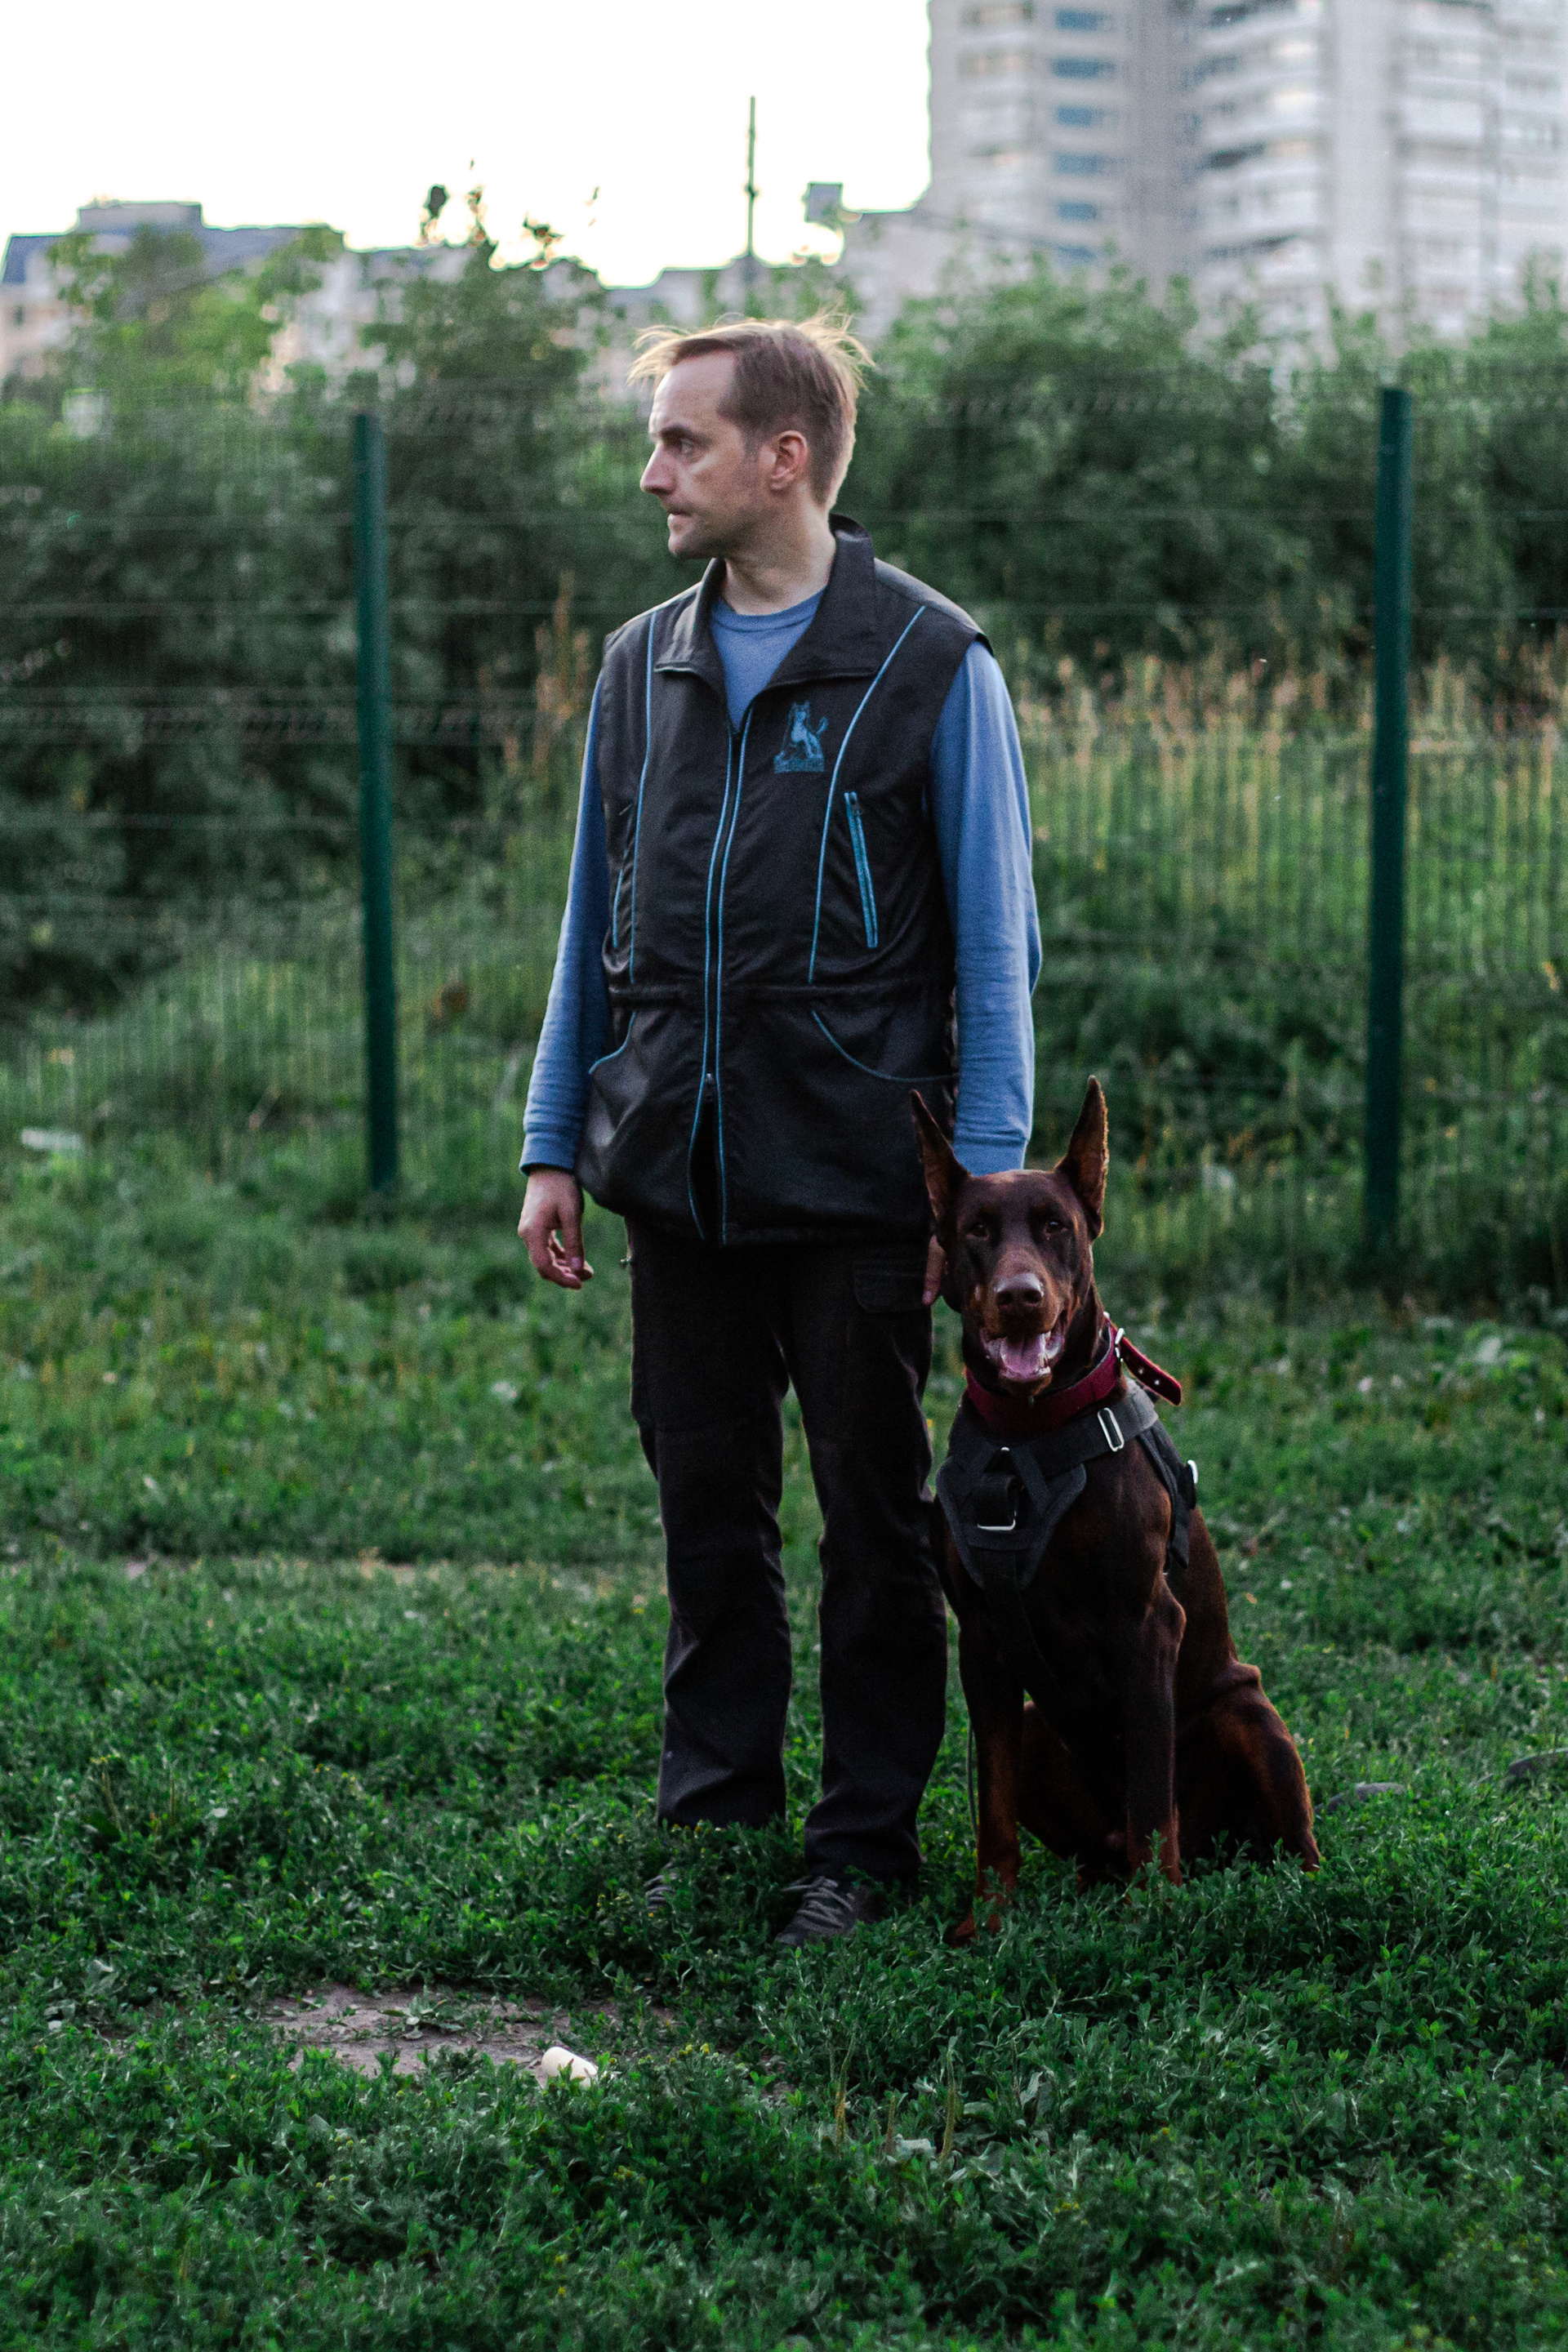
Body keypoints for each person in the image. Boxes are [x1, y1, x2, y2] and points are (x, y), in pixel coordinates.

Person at [519, 314, 1040, 1946]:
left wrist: (984, 1210)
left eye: (683, 442)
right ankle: (715, 1810)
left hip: (864, 1184)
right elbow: (592, 922)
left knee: (877, 1525)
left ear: (784, 459)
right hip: (675, 1170)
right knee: (707, 1506)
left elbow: (997, 953)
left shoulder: (933, 664)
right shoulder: (638, 666)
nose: (653, 473)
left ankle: (863, 1848)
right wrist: (554, 1139)